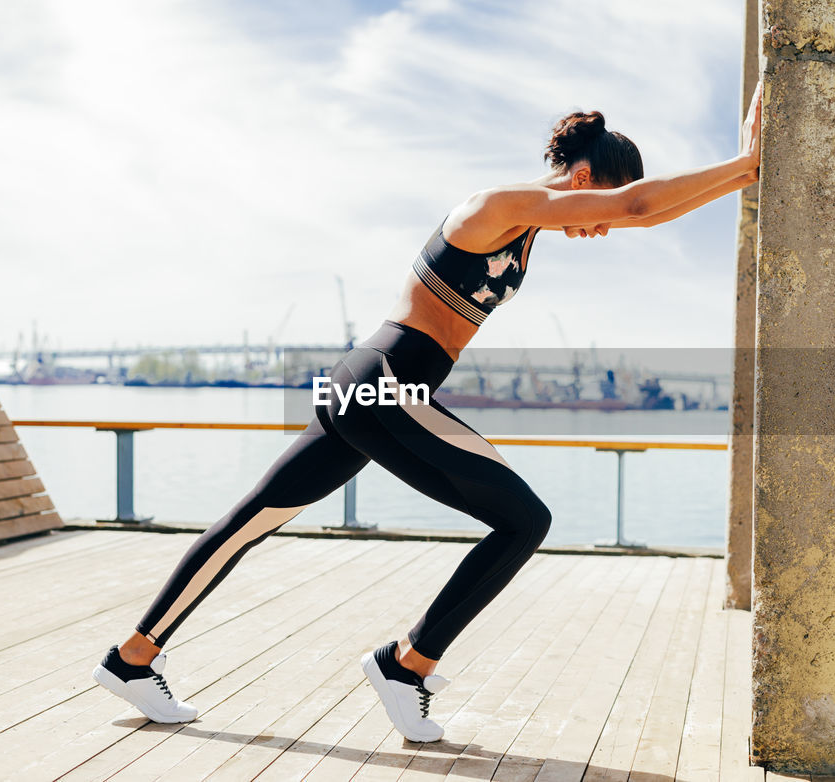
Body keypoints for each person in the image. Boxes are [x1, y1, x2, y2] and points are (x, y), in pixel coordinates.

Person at [92, 83, 763, 742]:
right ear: (584, 175)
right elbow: (640, 206)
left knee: (251, 520)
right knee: (525, 520)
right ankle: (405, 665)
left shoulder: (527, 233)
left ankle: (132, 658)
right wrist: (745, 166)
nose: (601, 226)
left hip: (368, 387)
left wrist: (739, 175)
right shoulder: (494, 206)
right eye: (601, 206)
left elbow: (632, 208)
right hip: (386, 380)